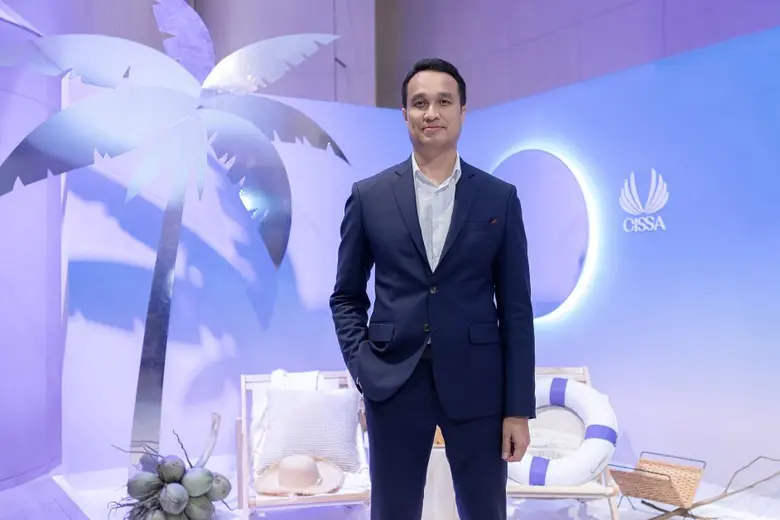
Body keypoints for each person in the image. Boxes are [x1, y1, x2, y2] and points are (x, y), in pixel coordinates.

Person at [329, 57, 536, 520]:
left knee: (485, 511)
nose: (431, 112)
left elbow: (516, 309)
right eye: (419, 103)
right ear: (404, 114)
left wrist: (518, 409)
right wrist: (363, 366)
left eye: (444, 101)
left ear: (462, 110)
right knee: (393, 511)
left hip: (479, 385)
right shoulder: (369, 196)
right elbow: (346, 296)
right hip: (393, 382)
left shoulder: (499, 197)